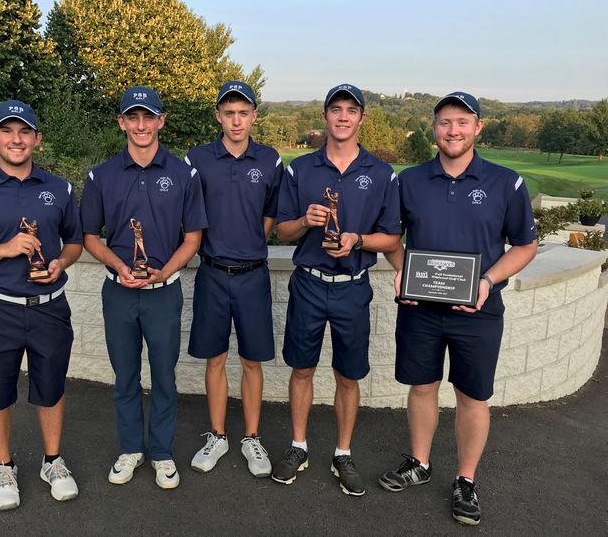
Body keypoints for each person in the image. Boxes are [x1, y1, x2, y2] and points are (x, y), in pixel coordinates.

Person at [379, 92, 537, 526]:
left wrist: (488, 280)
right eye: (445, 122)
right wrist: (401, 271)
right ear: (434, 128)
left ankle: (465, 480)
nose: (453, 130)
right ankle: (419, 462)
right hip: (420, 307)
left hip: (479, 310)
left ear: (478, 127)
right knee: (423, 386)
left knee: (472, 396)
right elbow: (393, 239)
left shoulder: (506, 182)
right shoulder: (408, 180)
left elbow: (526, 245)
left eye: (462, 122)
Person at [0, 100, 82, 511]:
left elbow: (75, 242)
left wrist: (60, 261)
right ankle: (4, 466)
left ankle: (52, 462)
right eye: (7, 131)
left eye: (24, 131)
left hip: (49, 306)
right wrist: (6, 249)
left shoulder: (60, 188)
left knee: (51, 388)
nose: (16, 139)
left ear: (37, 139)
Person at [272, 84, 402, 496]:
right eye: (336, 110)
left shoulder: (381, 173)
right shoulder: (301, 168)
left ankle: (342, 452)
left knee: (348, 375)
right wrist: (306, 222)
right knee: (302, 369)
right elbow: (281, 228)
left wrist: (357, 240)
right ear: (325, 117)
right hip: (309, 283)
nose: (343, 117)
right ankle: (298, 446)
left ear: (361, 118)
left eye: (351, 110)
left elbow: (392, 238)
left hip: (352, 287)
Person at [80, 86, 207, 490]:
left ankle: (163, 453)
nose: (140, 125)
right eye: (132, 117)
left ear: (160, 120)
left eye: (148, 117)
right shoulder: (101, 175)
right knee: (126, 376)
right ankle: (131, 448)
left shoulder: (184, 173)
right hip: (118, 291)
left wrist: (161, 272)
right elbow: (90, 237)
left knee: (165, 377)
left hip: (163, 291)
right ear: (121, 122)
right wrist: (119, 265)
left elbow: (193, 239)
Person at [185, 81, 283, 477]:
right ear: (218, 116)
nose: (236, 120)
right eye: (229, 112)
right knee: (215, 358)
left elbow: (272, 214)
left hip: (252, 276)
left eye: (243, 112)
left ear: (254, 116)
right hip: (212, 272)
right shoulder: (198, 159)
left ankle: (252, 438)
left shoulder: (271, 159)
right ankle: (218, 435)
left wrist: (251, 240)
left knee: (251, 360)